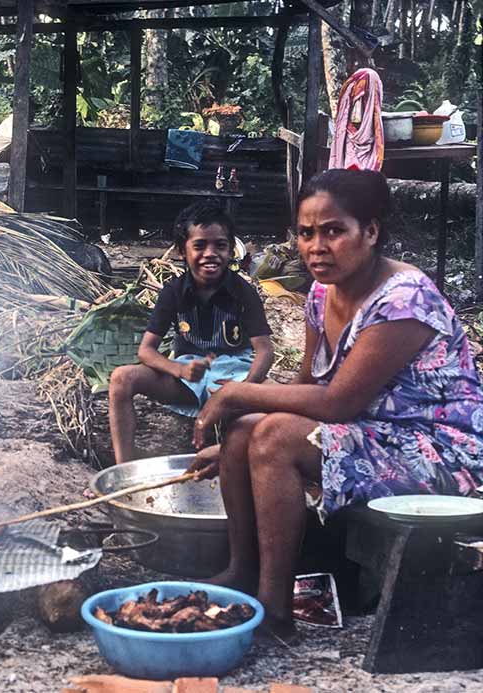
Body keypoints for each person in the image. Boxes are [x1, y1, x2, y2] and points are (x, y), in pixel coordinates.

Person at [188, 169, 483, 643]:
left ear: (370, 231)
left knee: (274, 435)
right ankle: (241, 573)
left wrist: (235, 391)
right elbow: (307, 384)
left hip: (441, 451)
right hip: (374, 433)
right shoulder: (322, 292)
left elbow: (337, 402)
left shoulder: (404, 299)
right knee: (247, 430)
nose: (316, 247)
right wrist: (232, 447)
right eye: (306, 233)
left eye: (333, 231)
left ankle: (274, 613)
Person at [108, 202, 274, 466]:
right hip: (188, 379)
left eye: (220, 245)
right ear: (182, 252)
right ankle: (122, 469)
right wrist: (176, 370)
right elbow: (146, 351)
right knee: (121, 378)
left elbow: (264, 350)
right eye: (199, 246)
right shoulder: (173, 292)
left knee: (281, 399)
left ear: (231, 250)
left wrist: (244, 388)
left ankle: (260, 463)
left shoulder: (244, 292)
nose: (210, 254)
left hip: (236, 376)